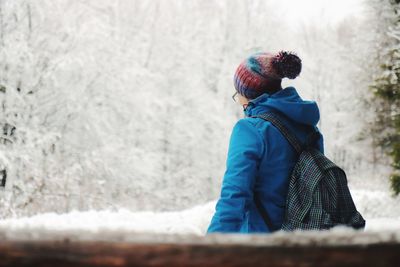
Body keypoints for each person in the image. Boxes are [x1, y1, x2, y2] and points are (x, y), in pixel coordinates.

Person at [206, 51, 324, 234]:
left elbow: (234, 198)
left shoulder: (250, 130)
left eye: (238, 94)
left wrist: (210, 248)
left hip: (261, 244)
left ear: (248, 94)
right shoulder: (309, 128)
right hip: (302, 241)